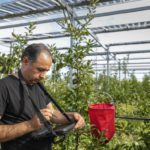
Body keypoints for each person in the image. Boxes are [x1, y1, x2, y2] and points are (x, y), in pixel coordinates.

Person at [0, 43, 85, 150]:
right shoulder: (4, 86)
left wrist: (72, 116)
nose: (43, 76)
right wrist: (30, 125)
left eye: (46, 71)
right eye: (40, 70)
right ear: (25, 61)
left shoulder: (37, 84)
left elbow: (52, 114)